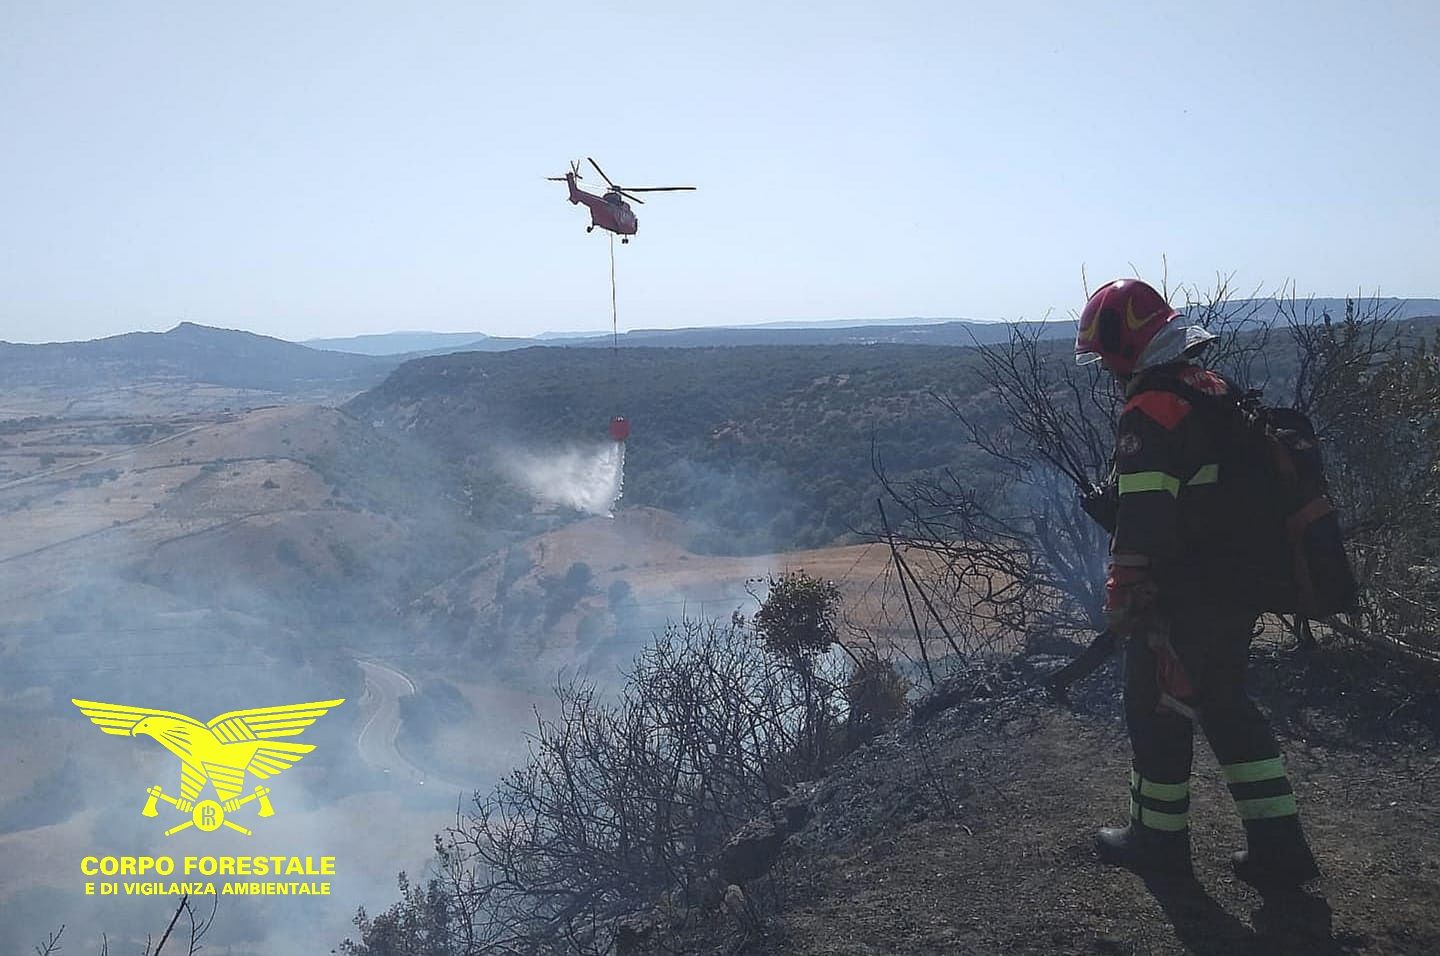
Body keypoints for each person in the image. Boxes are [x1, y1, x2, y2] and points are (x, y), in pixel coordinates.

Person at [1075, 278, 1320, 889]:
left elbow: (1146, 520)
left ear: (1127, 346)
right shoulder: (1212, 389)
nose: (1105, 368)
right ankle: (1280, 845)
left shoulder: (1150, 408)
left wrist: (1122, 594)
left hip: (1182, 595)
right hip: (1235, 585)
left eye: (1107, 355)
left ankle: (1156, 842)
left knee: (1154, 710)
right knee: (1228, 705)